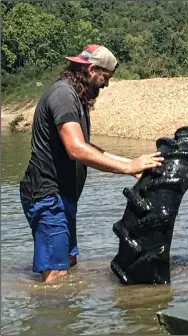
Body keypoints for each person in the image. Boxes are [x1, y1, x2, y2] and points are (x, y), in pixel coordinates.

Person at [19, 44, 164, 283]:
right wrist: (127, 167)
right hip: (46, 195)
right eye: (105, 77)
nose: (106, 84)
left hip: (61, 195)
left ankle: (65, 314)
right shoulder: (63, 96)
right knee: (56, 275)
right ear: (91, 69)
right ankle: (51, 317)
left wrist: (130, 164)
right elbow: (76, 149)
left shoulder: (75, 97)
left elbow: (88, 147)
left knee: (69, 264)